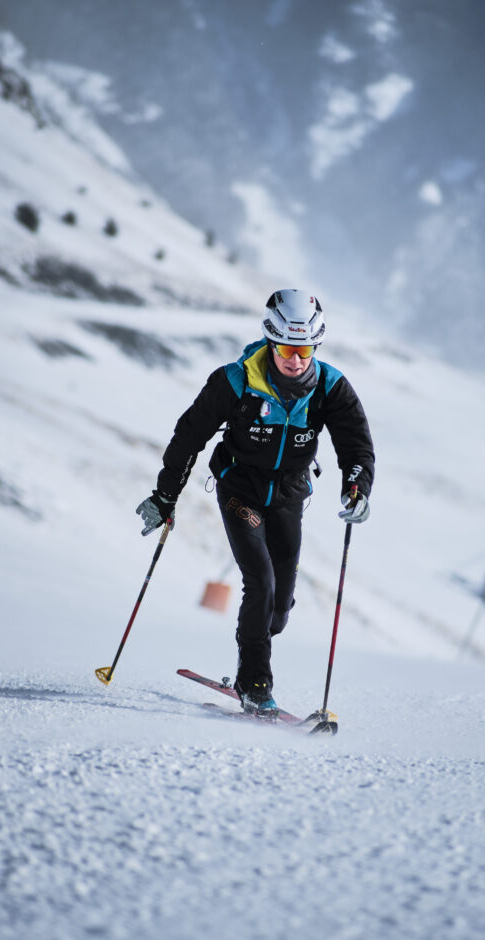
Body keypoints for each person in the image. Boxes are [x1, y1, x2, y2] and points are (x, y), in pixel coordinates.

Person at [136, 289, 375, 714]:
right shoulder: (236, 381)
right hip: (239, 490)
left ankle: (255, 646)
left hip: (289, 496)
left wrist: (357, 487)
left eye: (305, 350)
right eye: (286, 349)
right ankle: (254, 682)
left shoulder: (330, 387)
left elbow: (356, 445)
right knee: (260, 583)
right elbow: (188, 436)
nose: (295, 360)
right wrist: (165, 496)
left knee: (278, 608)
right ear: (270, 340)